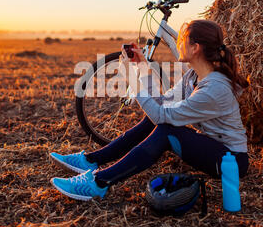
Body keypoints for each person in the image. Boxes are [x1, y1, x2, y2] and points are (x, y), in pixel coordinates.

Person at [50, 19, 250, 201]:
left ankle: (99, 183)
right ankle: (92, 161)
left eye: (182, 40)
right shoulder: (193, 76)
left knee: (166, 130)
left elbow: (160, 115)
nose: (178, 44)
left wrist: (132, 82)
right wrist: (142, 67)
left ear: (195, 48)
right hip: (212, 147)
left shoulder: (215, 89)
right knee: (158, 122)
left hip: (230, 161)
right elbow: (163, 103)